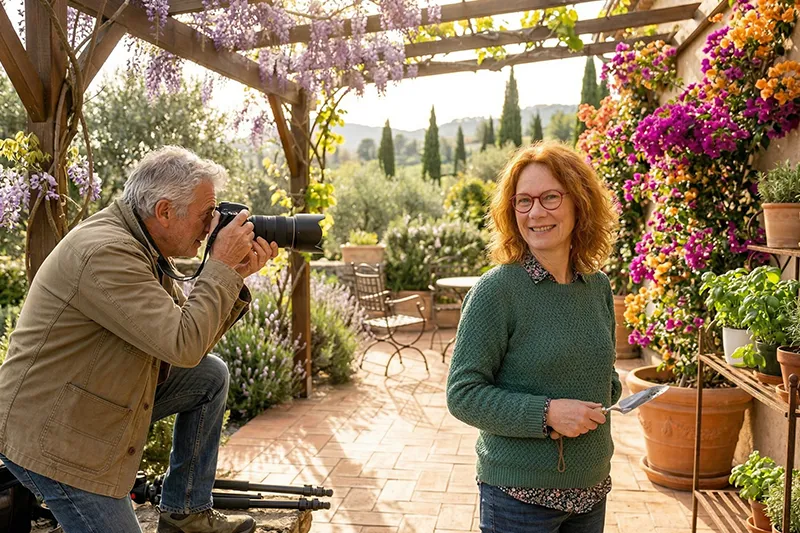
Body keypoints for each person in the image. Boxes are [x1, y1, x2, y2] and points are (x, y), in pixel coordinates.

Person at [0, 146, 280, 533]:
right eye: (205, 215)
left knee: (208, 377)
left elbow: (187, 344)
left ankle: (186, 514)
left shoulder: (141, 245)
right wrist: (220, 269)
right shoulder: (106, 252)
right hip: (56, 433)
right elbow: (182, 342)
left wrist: (234, 276)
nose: (211, 227)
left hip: (88, 401)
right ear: (164, 211)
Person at [446, 141, 622, 533]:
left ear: (579, 203)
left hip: (591, 491)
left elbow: (603, 374)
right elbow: (462, 393)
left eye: (550, 198)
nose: (536, 212)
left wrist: (610, 395)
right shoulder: (497, 291)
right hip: (518, 498)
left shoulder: (597, 287)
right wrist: (546, 414)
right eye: (523, 201)